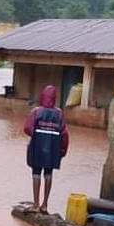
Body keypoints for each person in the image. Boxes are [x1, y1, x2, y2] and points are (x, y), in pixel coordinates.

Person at [24, 85, 69, 214]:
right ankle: (45, 205)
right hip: (53, 149)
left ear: (42, 96)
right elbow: (64, 134)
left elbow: (27, 128)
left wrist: (37, 134)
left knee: (36, 173)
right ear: (54, 98)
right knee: (49, 174)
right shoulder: (59, 113)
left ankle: (36, 205)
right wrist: (62, 151)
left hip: (37, 147)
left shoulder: (36, 111)